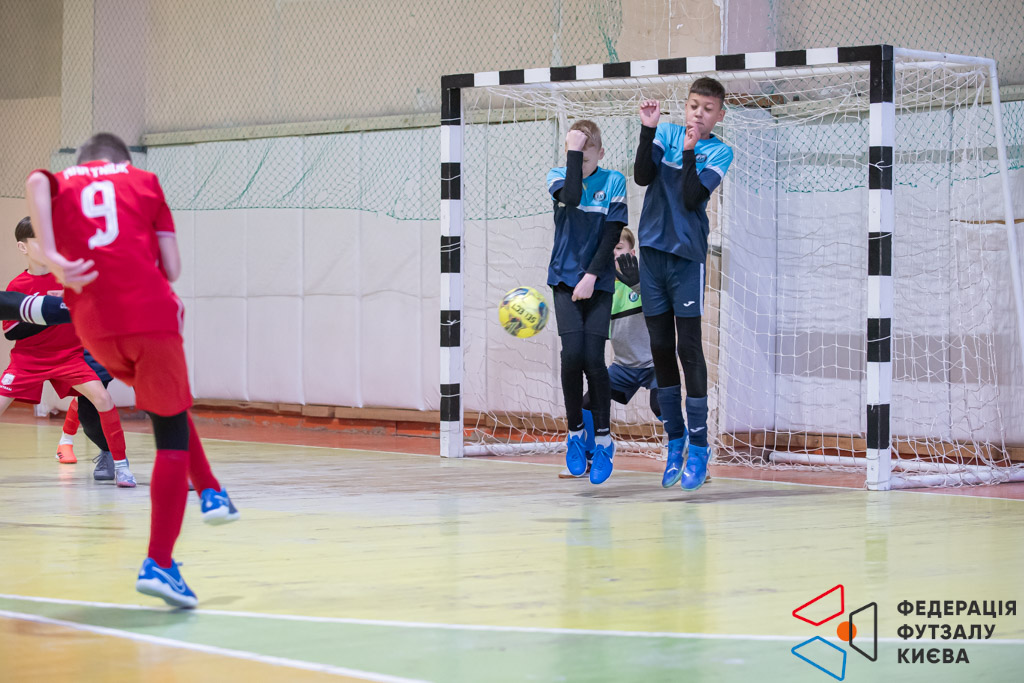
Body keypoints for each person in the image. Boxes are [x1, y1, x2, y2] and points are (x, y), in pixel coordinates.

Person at [27, 132, 239, 608]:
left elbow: (36, 180)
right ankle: (160, 562)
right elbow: (173, 267)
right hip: (150, 318)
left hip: (95, 329)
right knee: (170, 435)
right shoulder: (144, 180)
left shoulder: (63, 182)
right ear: (123, 162)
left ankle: (210, 489)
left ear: (83, 162)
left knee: (168, 406)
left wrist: (54, 256)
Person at [633, 77, 733, 491]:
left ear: (719, 115)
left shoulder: (720, 151)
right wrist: (648, 130)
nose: (698, 114)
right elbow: (642, 176)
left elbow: (693, 197)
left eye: (707, 109)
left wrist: (690, 152)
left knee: (688, 347)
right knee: (659, 346)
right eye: (694, 106)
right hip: (652, 253)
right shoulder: (667, 133)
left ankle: (699, 446)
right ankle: (675, 440)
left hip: (687, 258)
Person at [1, 217, 135, 487]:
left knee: (102, 398)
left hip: (69, 357)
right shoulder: (18, 286)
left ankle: (121, 466)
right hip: (28, 361)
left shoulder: (69, 278)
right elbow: (11, 332)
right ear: (23, 247)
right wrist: (46, 310)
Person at [546, 121, 627, 485]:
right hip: (563, 280)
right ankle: (576, 433)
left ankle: (604, 440)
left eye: (587, 156)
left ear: (601, 154)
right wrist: (574, 155)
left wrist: (592, 276)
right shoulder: (558, 176)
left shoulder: (614, 181)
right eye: (574, 155)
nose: (580, 163)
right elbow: (572, 198)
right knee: (572, 356)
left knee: (594, 359)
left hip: (599, 281)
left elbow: (612, 233)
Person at [559, 227, 664, 478]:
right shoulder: (603, 290)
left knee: (661, 404)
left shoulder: (645, 279)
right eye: (611, 249)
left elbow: (661, 305)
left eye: (619, 248)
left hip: (654, 364)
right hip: (623, 367)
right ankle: (590, 455)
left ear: (632, 253)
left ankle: (691, 454)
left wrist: (637, 283)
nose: (614, 254)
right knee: (586, 404)